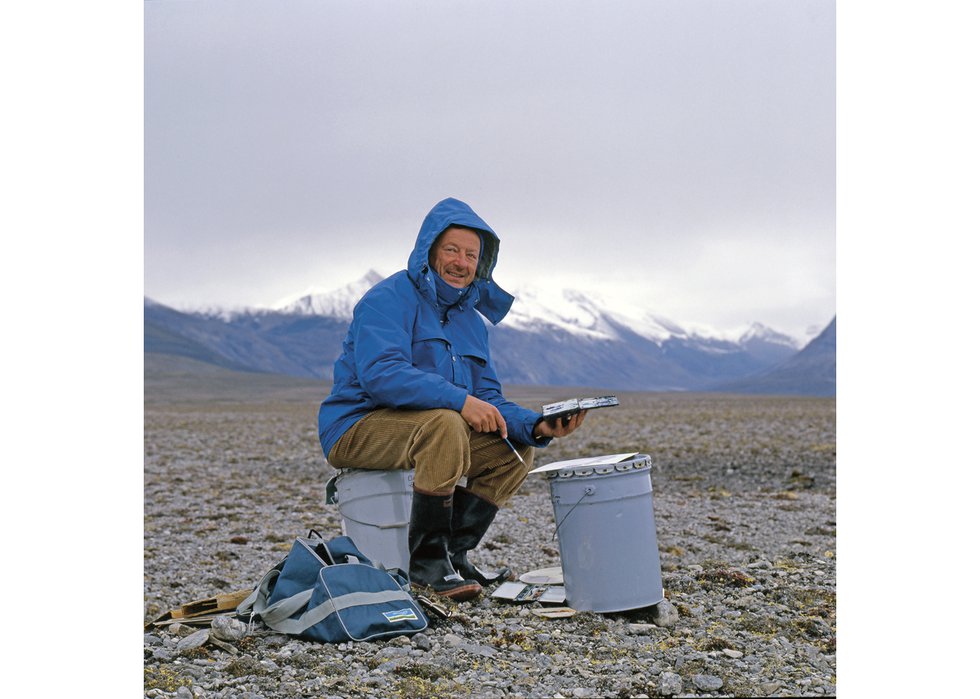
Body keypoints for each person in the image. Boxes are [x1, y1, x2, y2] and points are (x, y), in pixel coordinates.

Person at [318, 197, 586, 601]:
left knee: (510, 450)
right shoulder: (387, 298)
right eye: (452, 250)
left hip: (425, 429)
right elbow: (381, 376)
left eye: (471, 255)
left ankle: (453, 555)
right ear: (429, 250)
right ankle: (425, 565)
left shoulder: (471, 322)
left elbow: (488, 398)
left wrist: (536, 425)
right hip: (357, 426)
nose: (461, 262)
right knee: (444, 422)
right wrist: (460, 402)